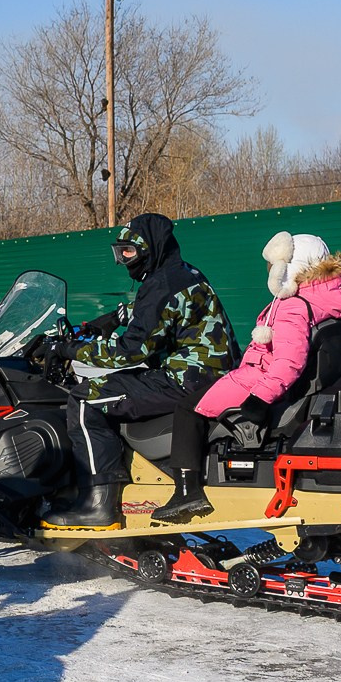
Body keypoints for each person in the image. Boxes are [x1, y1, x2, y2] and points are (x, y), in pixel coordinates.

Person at [151, 233, 341, 524]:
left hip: (260, 380)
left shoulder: (293, 306)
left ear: (291, 268)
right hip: (276, 381)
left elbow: (288, 362)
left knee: (188, 409)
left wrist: (259, 398)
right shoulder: (329, 302)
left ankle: (187, 493)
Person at [50, 212, 239, 529]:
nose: (124, 260)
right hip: (212, 374)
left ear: (151, 248)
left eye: (130, 252)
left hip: (184, 380)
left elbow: (130, 352)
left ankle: (98, 505)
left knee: (84, 399)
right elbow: (158, 314)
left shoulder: (161, 284)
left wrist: (68, 349)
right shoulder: (182, 272)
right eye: (119, 252)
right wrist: (113, 318)